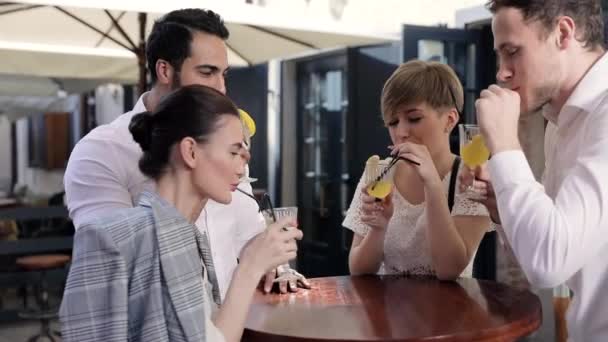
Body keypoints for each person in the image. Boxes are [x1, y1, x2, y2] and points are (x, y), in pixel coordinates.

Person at [63, 8, 308, 298]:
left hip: (234, 324)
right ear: (165, 70)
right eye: (207, 72)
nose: (221, 88)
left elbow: (248, 235)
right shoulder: (101, 152)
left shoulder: (221, 143)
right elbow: (113, 264)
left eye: (223, 74)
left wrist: (273, 268)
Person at [60, 85, 303, 342]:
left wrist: (254, 267)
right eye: (233, 153)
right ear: (190, 151)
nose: (242, 171)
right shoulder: (107, 238)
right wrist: (250, 267)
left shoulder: (193, 240)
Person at [467, 0, 607, 340]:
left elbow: (549, 261)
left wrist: (502, 140)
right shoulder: (561, 124)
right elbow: (538, 255)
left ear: (562, 33)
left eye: (512, 52)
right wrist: (502, 210)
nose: (502, 71)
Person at [343, 60, 491, 280]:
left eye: (414, 118)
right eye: (392, 122)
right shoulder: (379, 174)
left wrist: (432, 184)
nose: (401, 132)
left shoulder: (471, 177)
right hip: (387, 312)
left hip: (449, 313)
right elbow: (358, 269)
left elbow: (449, 270)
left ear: (449, 120)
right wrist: (378, 228)